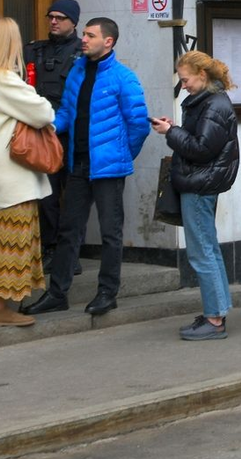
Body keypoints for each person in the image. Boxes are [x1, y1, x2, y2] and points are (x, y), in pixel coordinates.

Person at [22, 18, 150, 317]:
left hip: (108, 170)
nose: (84, 39)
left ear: (109, 42)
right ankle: (58, 294)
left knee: (110, 233)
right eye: (85, 34)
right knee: (69, 231)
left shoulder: (124, 77)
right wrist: (50, 126)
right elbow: (67, 111)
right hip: (77, 165)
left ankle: (107, 293)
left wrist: (121, 156)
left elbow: (138, 126)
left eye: (91, 35)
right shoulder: (78, 70)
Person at [0, 16, 56, 327]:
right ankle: (0, 310)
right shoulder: (4, 79)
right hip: (12, 172)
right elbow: (44, 112)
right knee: (12, 243)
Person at [152, 51, 239, 340]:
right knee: (208, 250)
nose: (184, 85)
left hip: (200, 185)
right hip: (201, 183)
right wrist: (174, 129)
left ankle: (214, 320)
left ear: (202, 76)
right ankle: (217, 311)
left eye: (186, 79)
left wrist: (170, 132)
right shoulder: (209, 101)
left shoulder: (213, 105)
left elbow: (202, 149)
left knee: (202, 252)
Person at [25, 0, 83, 271]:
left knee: (74, 197)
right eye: (51, 16)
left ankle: (71, 253)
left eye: (60, 17)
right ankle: (50, 248)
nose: (54, 21)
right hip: (42, 133)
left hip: (72, 135)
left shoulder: (83, 54)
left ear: (74, 22)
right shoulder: (35, 51)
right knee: (46, 195)